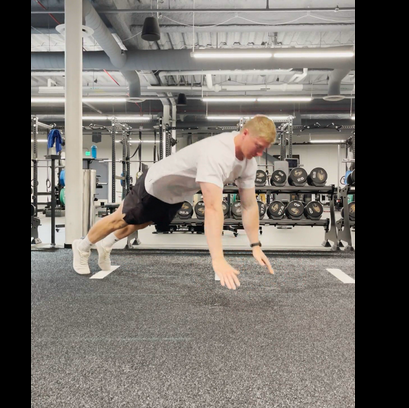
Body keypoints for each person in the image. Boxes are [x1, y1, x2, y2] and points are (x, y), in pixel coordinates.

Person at [72, 115, 277, 289]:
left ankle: (106, 244)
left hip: (176, 196)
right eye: (258, 146)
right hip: (156, 185)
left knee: (141, 223)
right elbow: (213, 208)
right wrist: (218, 259)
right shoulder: (217, 153)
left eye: (264, 149)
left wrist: (255, 245)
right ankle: (82, 246)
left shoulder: (249, 163)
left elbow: (249, 205)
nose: (260, 153)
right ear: (245, 133)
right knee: (120, 219)